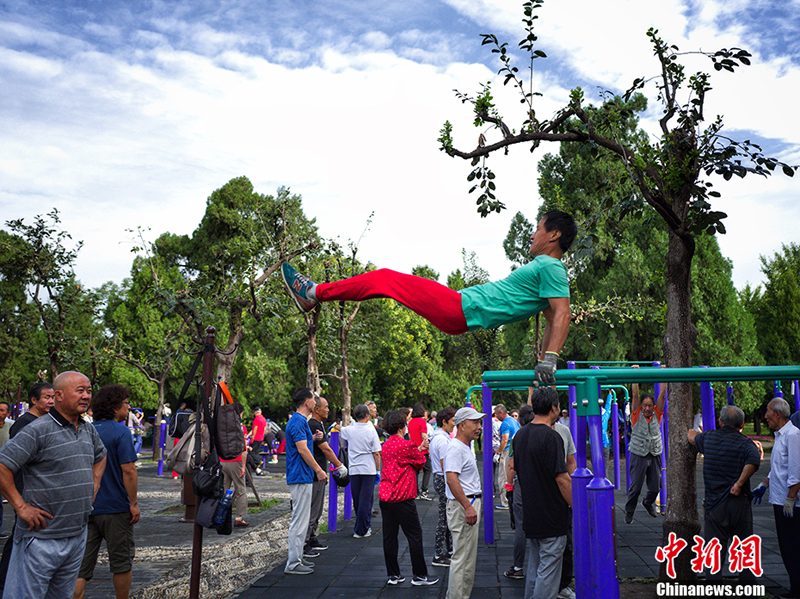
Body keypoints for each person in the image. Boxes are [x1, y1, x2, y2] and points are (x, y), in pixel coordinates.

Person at [282, 210, 577, 385]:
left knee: (385, 278)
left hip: (458, 308)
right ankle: (315, 293)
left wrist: (550, 361)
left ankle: (313, 292)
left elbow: (563, 314)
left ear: (554, 235)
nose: (532, 235)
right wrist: (544, 366)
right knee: (386, 281)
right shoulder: (547, 270)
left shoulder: (551, 266)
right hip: (460, 311)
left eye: (538, 228)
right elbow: (553, 320)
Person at [0, 371, 107, 599]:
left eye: (89, 391)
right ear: (58, 395)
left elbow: (101, 455)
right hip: (41, 538)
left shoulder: (87, 429)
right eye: (80, 390)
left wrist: (94, 485)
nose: (86, 396)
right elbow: (2, 467)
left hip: (76, 535)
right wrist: (21, 507)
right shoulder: (38, 430)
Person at [74, 385, 140, 599]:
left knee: (80, 567)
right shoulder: (121, 432)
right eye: (126, 403)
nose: (128, 408)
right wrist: (133, 503)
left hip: (86, 506)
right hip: (116, 508)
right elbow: (128, 470)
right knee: (121, 563)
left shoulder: (84, 430)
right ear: (114, 407)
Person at [687, 405, 760, 583]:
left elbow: (691, 436)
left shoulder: (709, 439)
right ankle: (748, 590)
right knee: (745, 551)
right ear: (742, 424)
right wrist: (739, 484)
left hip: (715, 505)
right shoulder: (746, 444)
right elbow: (753, 461)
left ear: (720, 421)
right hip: (739, 504)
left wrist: (693, 431)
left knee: (714, 553)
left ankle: (714, 589)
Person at [513, 386, 572, 599]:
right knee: (548, 573)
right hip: (551, 515)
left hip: (531, 512)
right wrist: (578, 506)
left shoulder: (520, 436)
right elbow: (562, 479)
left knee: (535, 567)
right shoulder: (552, 437)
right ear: (554, 408)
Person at [0, 382, 55, 595]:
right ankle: (6, 581)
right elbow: (15, 461)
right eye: (47, 397)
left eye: (53, 397)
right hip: (25, 488)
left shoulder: (45, 421)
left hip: (37, 488)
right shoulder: (25, 423)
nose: (51, 401)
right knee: (21, 534)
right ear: (34, 400)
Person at [378, 410, 438, 586]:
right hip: (402, 496)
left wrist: (417, 449)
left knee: (390, 537)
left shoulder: (386, 445)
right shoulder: (406, 445)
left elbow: (404, 459)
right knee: (414, 535)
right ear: (401, 427)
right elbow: (419, 462)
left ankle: (393, 575)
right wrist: (421, 450)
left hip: (386, 496)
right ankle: (419, 575)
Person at [752, 398, 800, 598]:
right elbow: (779, 468)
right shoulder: (780, 435)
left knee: (793, 547)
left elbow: (797, 469)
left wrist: (791, 497)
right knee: (786, 547)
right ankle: (795, 587)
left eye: (768, 412)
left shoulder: (793, 435)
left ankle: (797, 590)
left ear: (778, 414)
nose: (765, 416)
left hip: (790, 503)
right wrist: (765, 483)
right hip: (780, 500)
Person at [284, 388, 328, 575]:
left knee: (302, 519)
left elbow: (302, 444)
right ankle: (293, 563)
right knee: (300, 521)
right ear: (307, 402)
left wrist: (313, 437)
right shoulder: (298, 422)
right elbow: (302, 449)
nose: (316, 402)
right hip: (300, 476)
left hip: (302, 475)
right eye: (313, 399)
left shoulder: (300, 422)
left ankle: (297, 558)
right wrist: (318, 469)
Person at [444, 407, 485, 599]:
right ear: (461, 425)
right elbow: (451, 479)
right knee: (462, 558)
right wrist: (468, 506)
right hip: (464, 504)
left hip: (467, 502)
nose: (479, 427)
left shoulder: (462, 446)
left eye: (479, 423)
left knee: (467, 557)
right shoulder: (456, 448)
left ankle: (459, 595)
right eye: (475, 423)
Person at [304, 395, 347, 557]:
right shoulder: (314, 425)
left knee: (317, 508)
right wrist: (340, 465)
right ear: (317, 409)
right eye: (326, 407)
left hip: (318, 473)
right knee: (313, 509)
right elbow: (326, 449)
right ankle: (305, 543)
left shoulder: (317, 425)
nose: (328, 410)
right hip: (315, 474)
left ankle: (311, 537)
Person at [625, 368, 667, 523]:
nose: (647, 408)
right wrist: (635, 374)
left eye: (650, 405)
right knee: (636, 487)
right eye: (645, 406)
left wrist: (664, 374)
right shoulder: (636, 414)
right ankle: (630, 510)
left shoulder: (657, 413)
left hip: (654, 453)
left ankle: (648, 502)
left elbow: (662, 394)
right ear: (641, 406)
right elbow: (635, 395)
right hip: (639, 453)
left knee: (655, 487)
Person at [340, 404, 382, 537]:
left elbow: (341, 429)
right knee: (366, 500)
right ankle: (361, 529)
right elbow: (376, 453)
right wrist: (378, 470)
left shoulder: (350, 430)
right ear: (367, 415)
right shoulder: (371, 431)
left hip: (354, 469)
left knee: (357, 500)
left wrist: (335, 426)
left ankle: (362, 527)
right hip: (368, 469)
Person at [430, 407, 456, 567]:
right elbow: (445, 464)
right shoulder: (442, 440)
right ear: (444, 422)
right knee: (444, 517)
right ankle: (438, 554)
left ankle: (449, 549)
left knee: (446, 516)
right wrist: (452, 483)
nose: (455, 424)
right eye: (453, 421)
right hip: (443, 478)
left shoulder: (438, 437)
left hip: (439, 477)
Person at [220, 417, 249, 528]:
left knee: (223, 489)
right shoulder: (241, 428)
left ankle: (221, 515)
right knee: (240, 489)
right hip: (236, 461)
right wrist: (243, 465)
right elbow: (244, 449)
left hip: (222, 460)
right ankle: (239, 517)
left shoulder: (221, 428)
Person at [496, 404, 520, 509]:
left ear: (501, 413)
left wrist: (498, 452)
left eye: (496, 414)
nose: (496, 416)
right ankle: (511, 499)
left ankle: (505, 501)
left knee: (503, 476)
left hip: (506, 451)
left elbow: (505, 439)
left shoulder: (505, 423)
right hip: (515, 450)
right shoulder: (514, 421)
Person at [408, 403, 432, 501]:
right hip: (423, 451)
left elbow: (410, 436)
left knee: (415, 472)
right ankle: (424, 491)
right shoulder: (422, 422)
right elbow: (424, 436)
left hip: (414, 449)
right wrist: (428, 448)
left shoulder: (410, 422)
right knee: (427, 470)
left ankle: (416, 491)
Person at [249, 407, 267, 473]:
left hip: (256, 438)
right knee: (256, 452)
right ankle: (255, 466)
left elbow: (255, 428)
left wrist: (252, 437)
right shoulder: (264, 419)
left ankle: (258, 461)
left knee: (251, 451)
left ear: (255, 412)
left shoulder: (257, 419)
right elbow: (264, 429)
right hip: (261, 437)